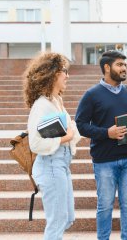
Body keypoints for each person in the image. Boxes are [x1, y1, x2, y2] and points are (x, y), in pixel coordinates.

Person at [75, 50, 127, 240]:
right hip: (104, 161)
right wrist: (107, 133)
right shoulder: (92, 95)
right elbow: (81, 125)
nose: (124, 68)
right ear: (107, 68)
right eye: (119, 65)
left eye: (125, 65)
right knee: (105, 205)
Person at [24, 52, 81, 240]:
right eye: (64, 71)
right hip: (50, 165)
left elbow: (70, 131)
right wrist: (65, 138)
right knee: (57, 221)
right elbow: (35, 143)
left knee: (66, 218)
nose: (67, 75)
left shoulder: (55, 101)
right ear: (52, 73)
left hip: (61, 165)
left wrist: (70, 134)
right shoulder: (41, 105)